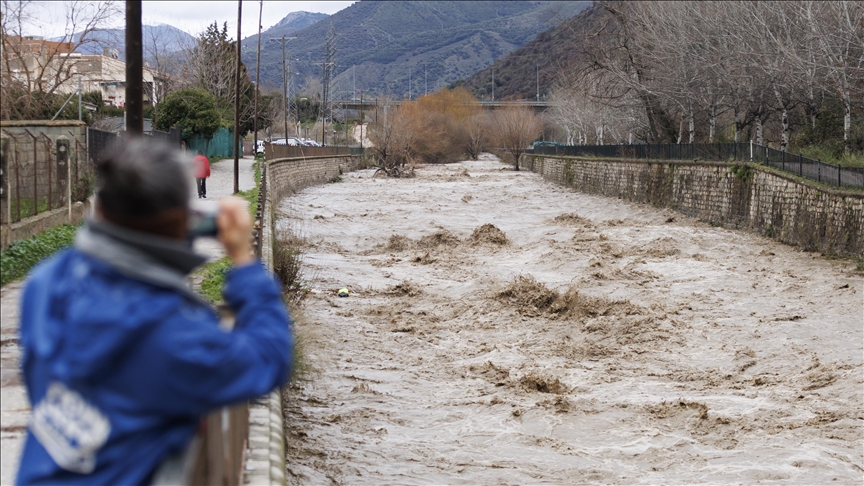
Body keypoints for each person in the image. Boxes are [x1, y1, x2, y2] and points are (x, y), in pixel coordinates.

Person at [15, 140, 292, 485]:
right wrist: (243, 260)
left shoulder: (46, 283)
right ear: (181, 223)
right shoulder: (174, 336)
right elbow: (270, 359)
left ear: (100, 210)